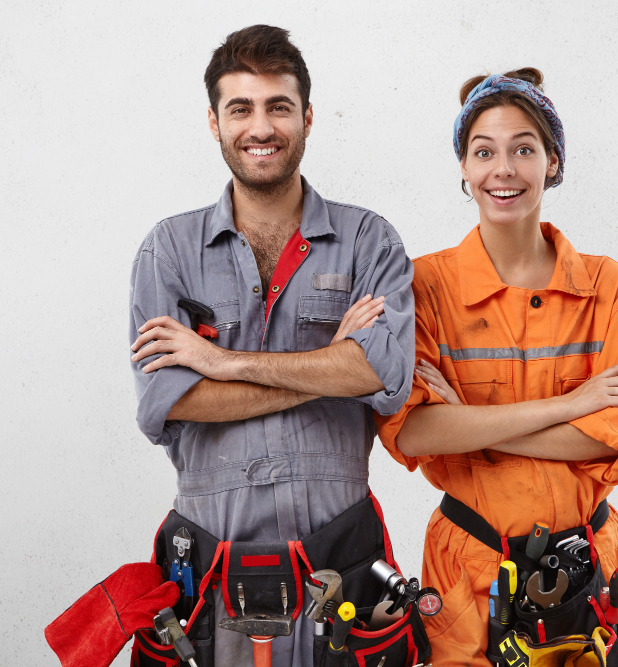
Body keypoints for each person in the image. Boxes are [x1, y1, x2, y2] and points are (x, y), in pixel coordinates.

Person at [128, 25, 416, 666]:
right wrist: (328, 366)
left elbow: (382, 372)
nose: (261, 127)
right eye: (241, 108)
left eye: (278, 107)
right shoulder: (168, 252)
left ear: (307, 117)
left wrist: (222, 362)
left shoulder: (370, 241)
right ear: (214, 121)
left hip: (339, 554)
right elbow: (168, 402)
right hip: (207, 560)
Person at [375, 68, 618, 666]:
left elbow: (613, 437)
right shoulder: (424, 288)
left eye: (524, 149)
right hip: (470, 577)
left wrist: (469, 420)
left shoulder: (607, 287)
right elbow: (415, 430)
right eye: (484, 151)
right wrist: (570, 405)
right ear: (465, 168)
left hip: (591, 574)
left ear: (552, 161)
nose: (504, 169)